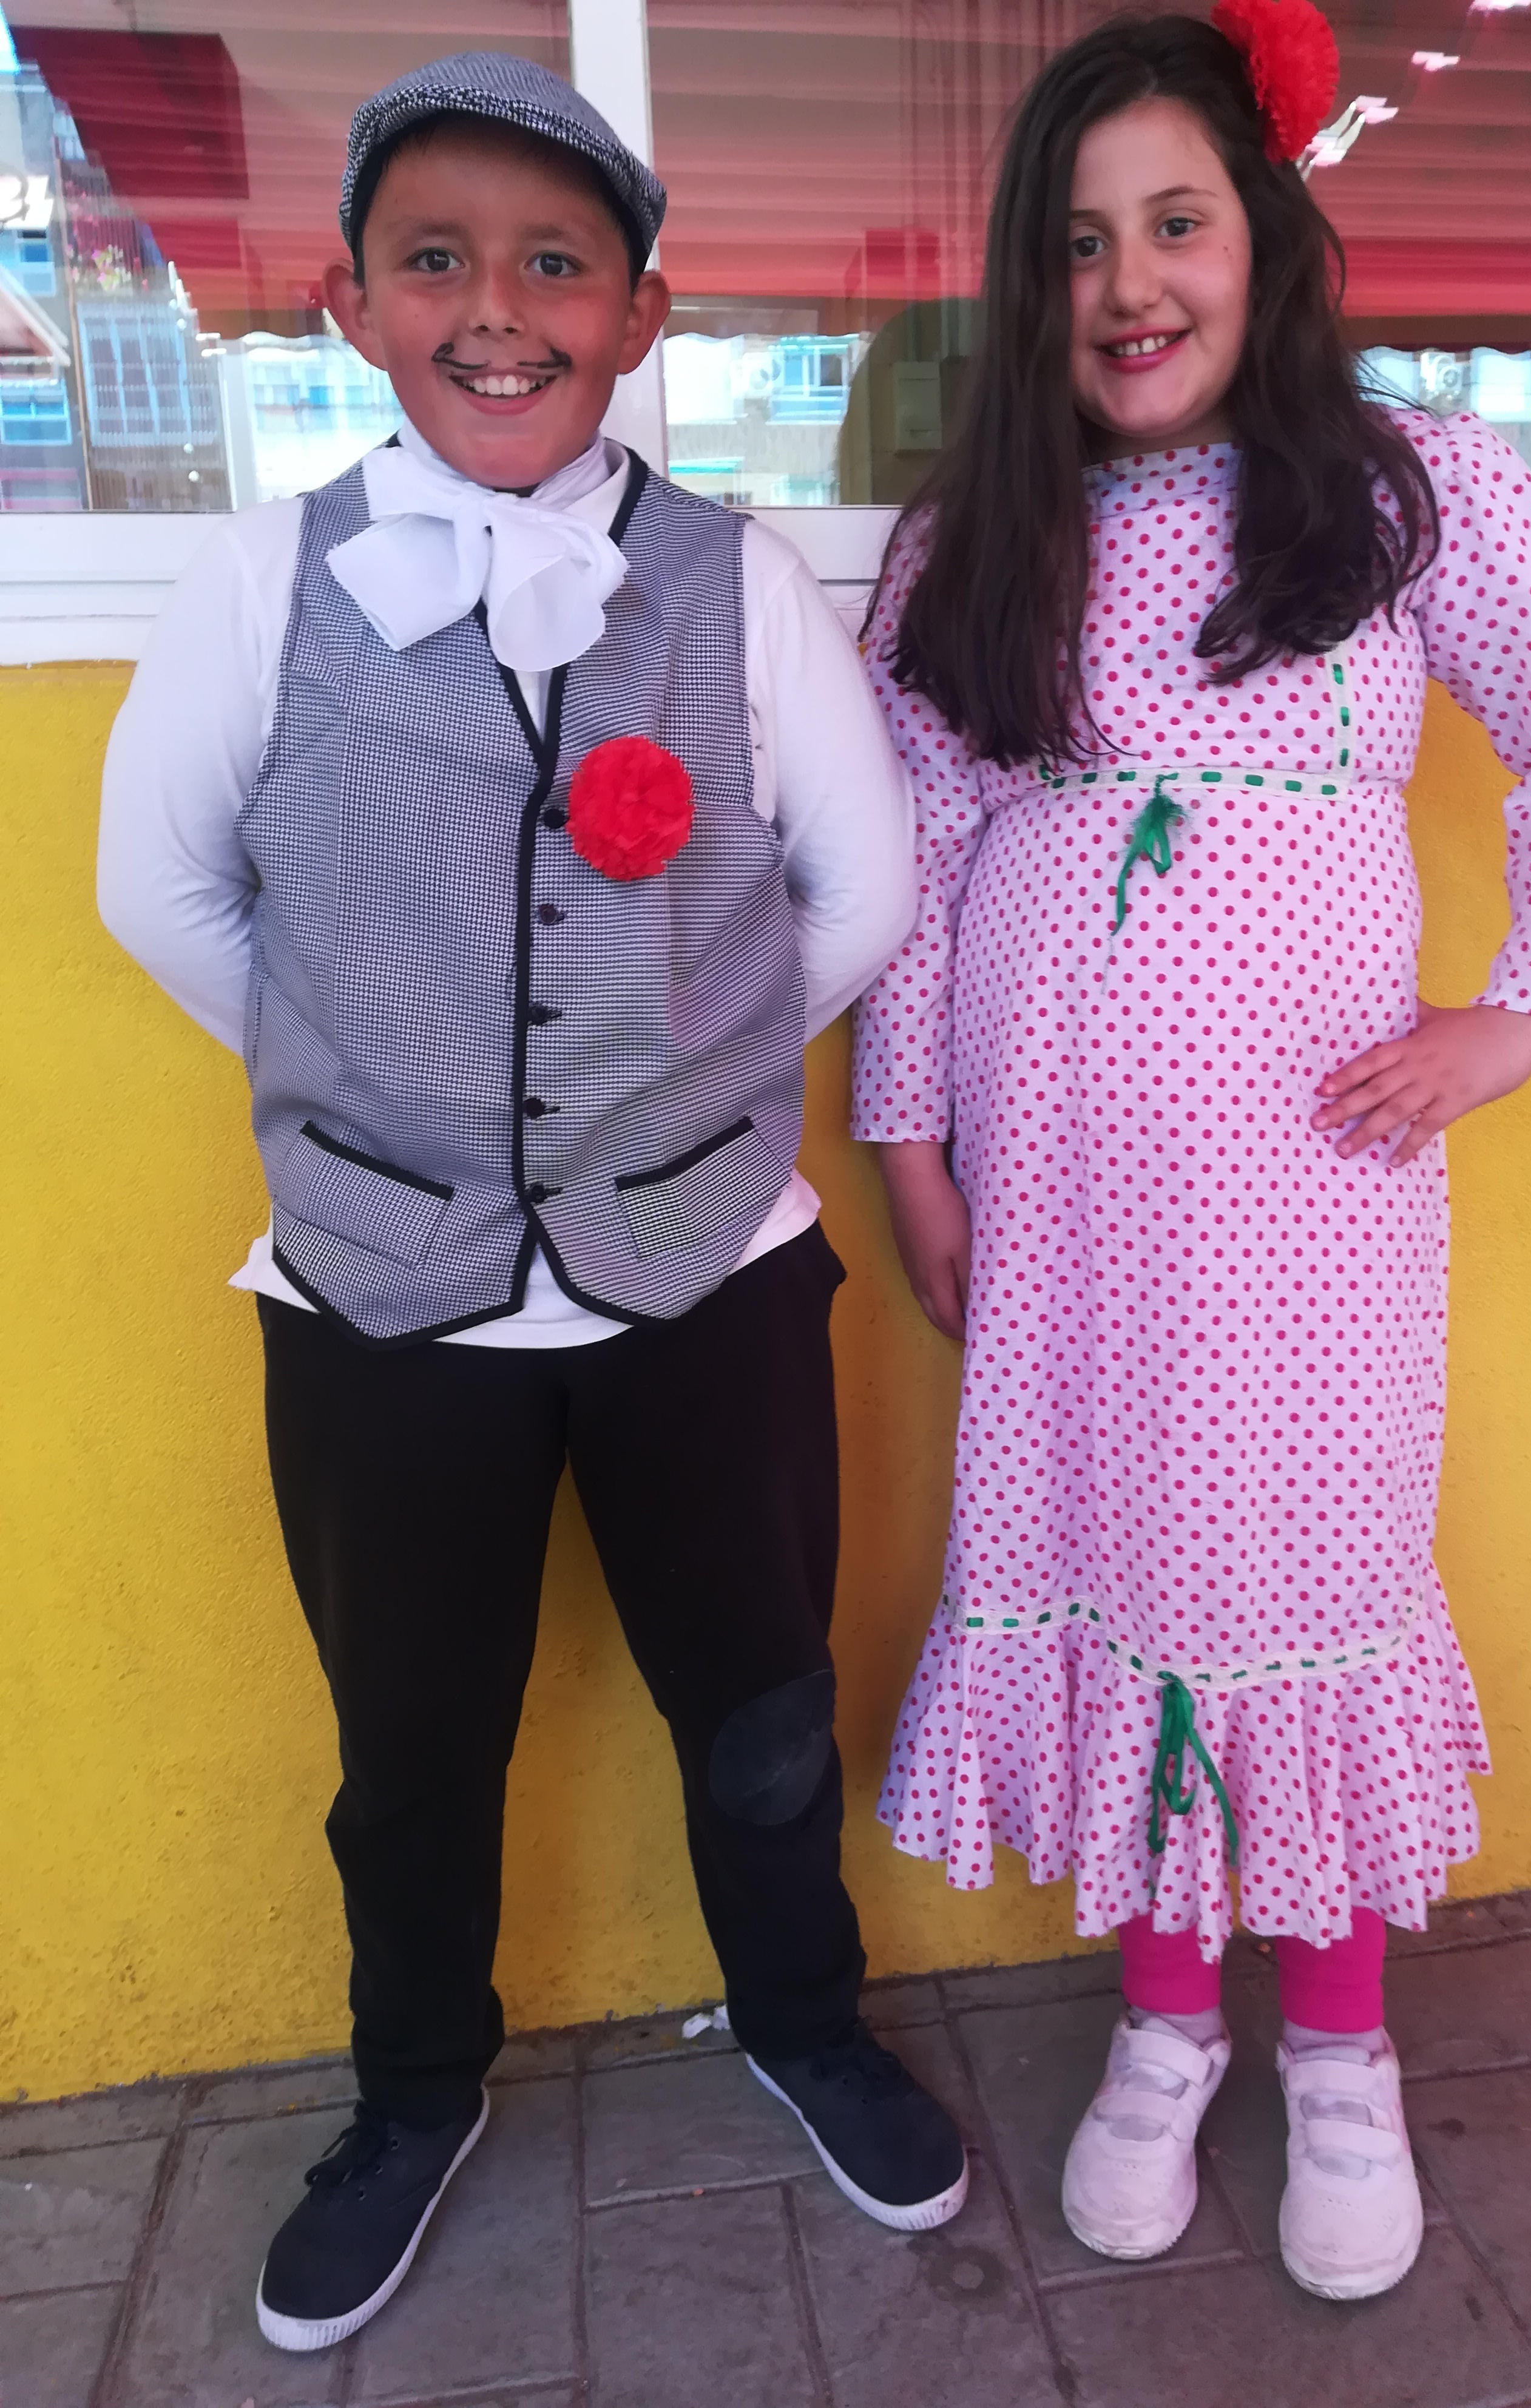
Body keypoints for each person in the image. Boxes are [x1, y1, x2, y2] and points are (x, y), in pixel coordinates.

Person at [97, 50, 968, 2357]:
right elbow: (161, 888)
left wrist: (687, 1088)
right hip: (378, 1293)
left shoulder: (737, 583)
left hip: (708, 1275)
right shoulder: (261, 582)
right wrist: (379, 1085)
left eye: (557, 264)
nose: (499, 308)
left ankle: (804, 2022)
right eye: (439, 261)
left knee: (762, 1712)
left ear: (641, 314)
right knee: (411, 1753)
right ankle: (410, 2094)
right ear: (350, 303)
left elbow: (860, 889)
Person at [853, 1, 1531, 2302]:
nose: (1131, 281)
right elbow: (921, 850)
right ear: (1028, 284)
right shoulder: (975, 541)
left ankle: (1335, 2045)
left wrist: (1522, 1014)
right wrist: (910, 1144)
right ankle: (1163, 2019)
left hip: (1314, 1202)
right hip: (1058, 1201)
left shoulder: (1411, 493)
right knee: (1110, 1561)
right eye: (1079, 241)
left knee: (1297, 1577)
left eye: (1178, 222)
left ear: (1270, 238)